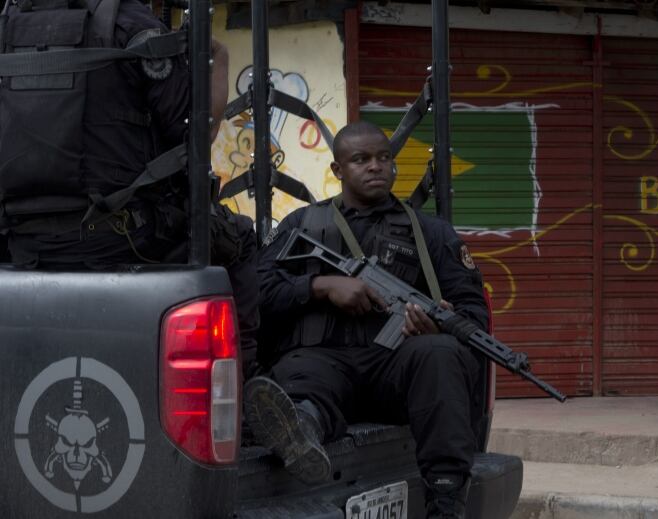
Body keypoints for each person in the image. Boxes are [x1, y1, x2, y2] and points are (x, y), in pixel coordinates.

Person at [0, 0, 259, 371]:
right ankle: (247, 391)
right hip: (120, 238)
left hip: (21, 241)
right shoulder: (129, 23)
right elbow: (196, 132)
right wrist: (218, 60)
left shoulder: (7, 26)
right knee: (242, 241)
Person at [246, 121, 488, 518]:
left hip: (396, 372)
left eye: (384, 158)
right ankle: (300, 430)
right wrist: (321, 286)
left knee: (440, 352)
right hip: (323, 366)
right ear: (338, 170)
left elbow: (472, 312)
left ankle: (446, 502)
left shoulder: (431, 234)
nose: (376, 167)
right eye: (361, 159)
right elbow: (258, 291)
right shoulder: (302, 226)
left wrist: (441, 323)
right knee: (301, 376)